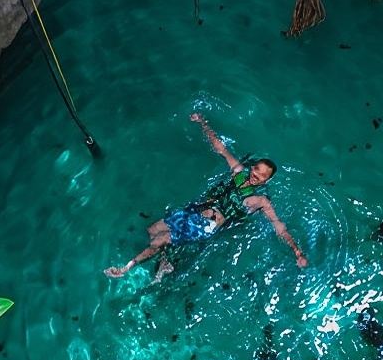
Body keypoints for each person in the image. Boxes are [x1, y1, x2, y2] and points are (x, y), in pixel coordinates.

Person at [104, 113, 308, 278]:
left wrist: (296, 250)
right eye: (257, 170)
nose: (257, 176)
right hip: (194, 210)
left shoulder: (260, 201)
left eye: (263, 176)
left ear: (266, 181)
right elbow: (220, 148)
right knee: (152, 230)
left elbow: (279, 226)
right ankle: (167, 261)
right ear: (252, 167)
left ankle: (124, 269)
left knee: (160, 240)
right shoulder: (237, 172)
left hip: (208, 225)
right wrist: (203, 123)